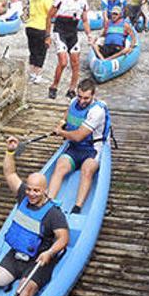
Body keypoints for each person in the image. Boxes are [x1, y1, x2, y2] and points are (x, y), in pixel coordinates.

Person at [0, 135, 69, 296]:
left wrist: (50, 253)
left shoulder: (54, 214)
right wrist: (10, 152)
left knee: (25, 291)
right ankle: (18, 278)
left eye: (37, 190)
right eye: (29, 189)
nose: (31, 194)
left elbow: (63, 238)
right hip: (19, 253)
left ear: (45, 191)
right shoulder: (23, 196)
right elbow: (10, 173)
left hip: (40, 259)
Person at [47, 78, 110, 212]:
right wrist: (61, 123)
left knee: (87, 170)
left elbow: (79, 136)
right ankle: (48, 201)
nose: (82, 101)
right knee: (60, 166)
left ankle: (77, 207)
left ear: (93, 96)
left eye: (86, 98)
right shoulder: (73, 102)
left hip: (92, 149)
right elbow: (67, 114)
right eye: (79, 96)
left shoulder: (97, 111)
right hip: (75, 148)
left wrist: (60, 132)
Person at [47, 0, 94, 100]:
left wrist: (89, 35)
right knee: (63, 62)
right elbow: (49, 16)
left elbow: (84, 20)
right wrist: (47, 35)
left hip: (73, 34)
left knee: (75, 63)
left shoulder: (83, 2)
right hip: (60, 32)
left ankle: (72, 89)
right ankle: (54, 86)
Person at [25, 0, 54, 84]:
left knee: (33, 51)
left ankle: (32, 74)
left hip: (30, 26)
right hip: (40, 27)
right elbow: (52, 12)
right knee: (41, 52)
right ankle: (38, 75)